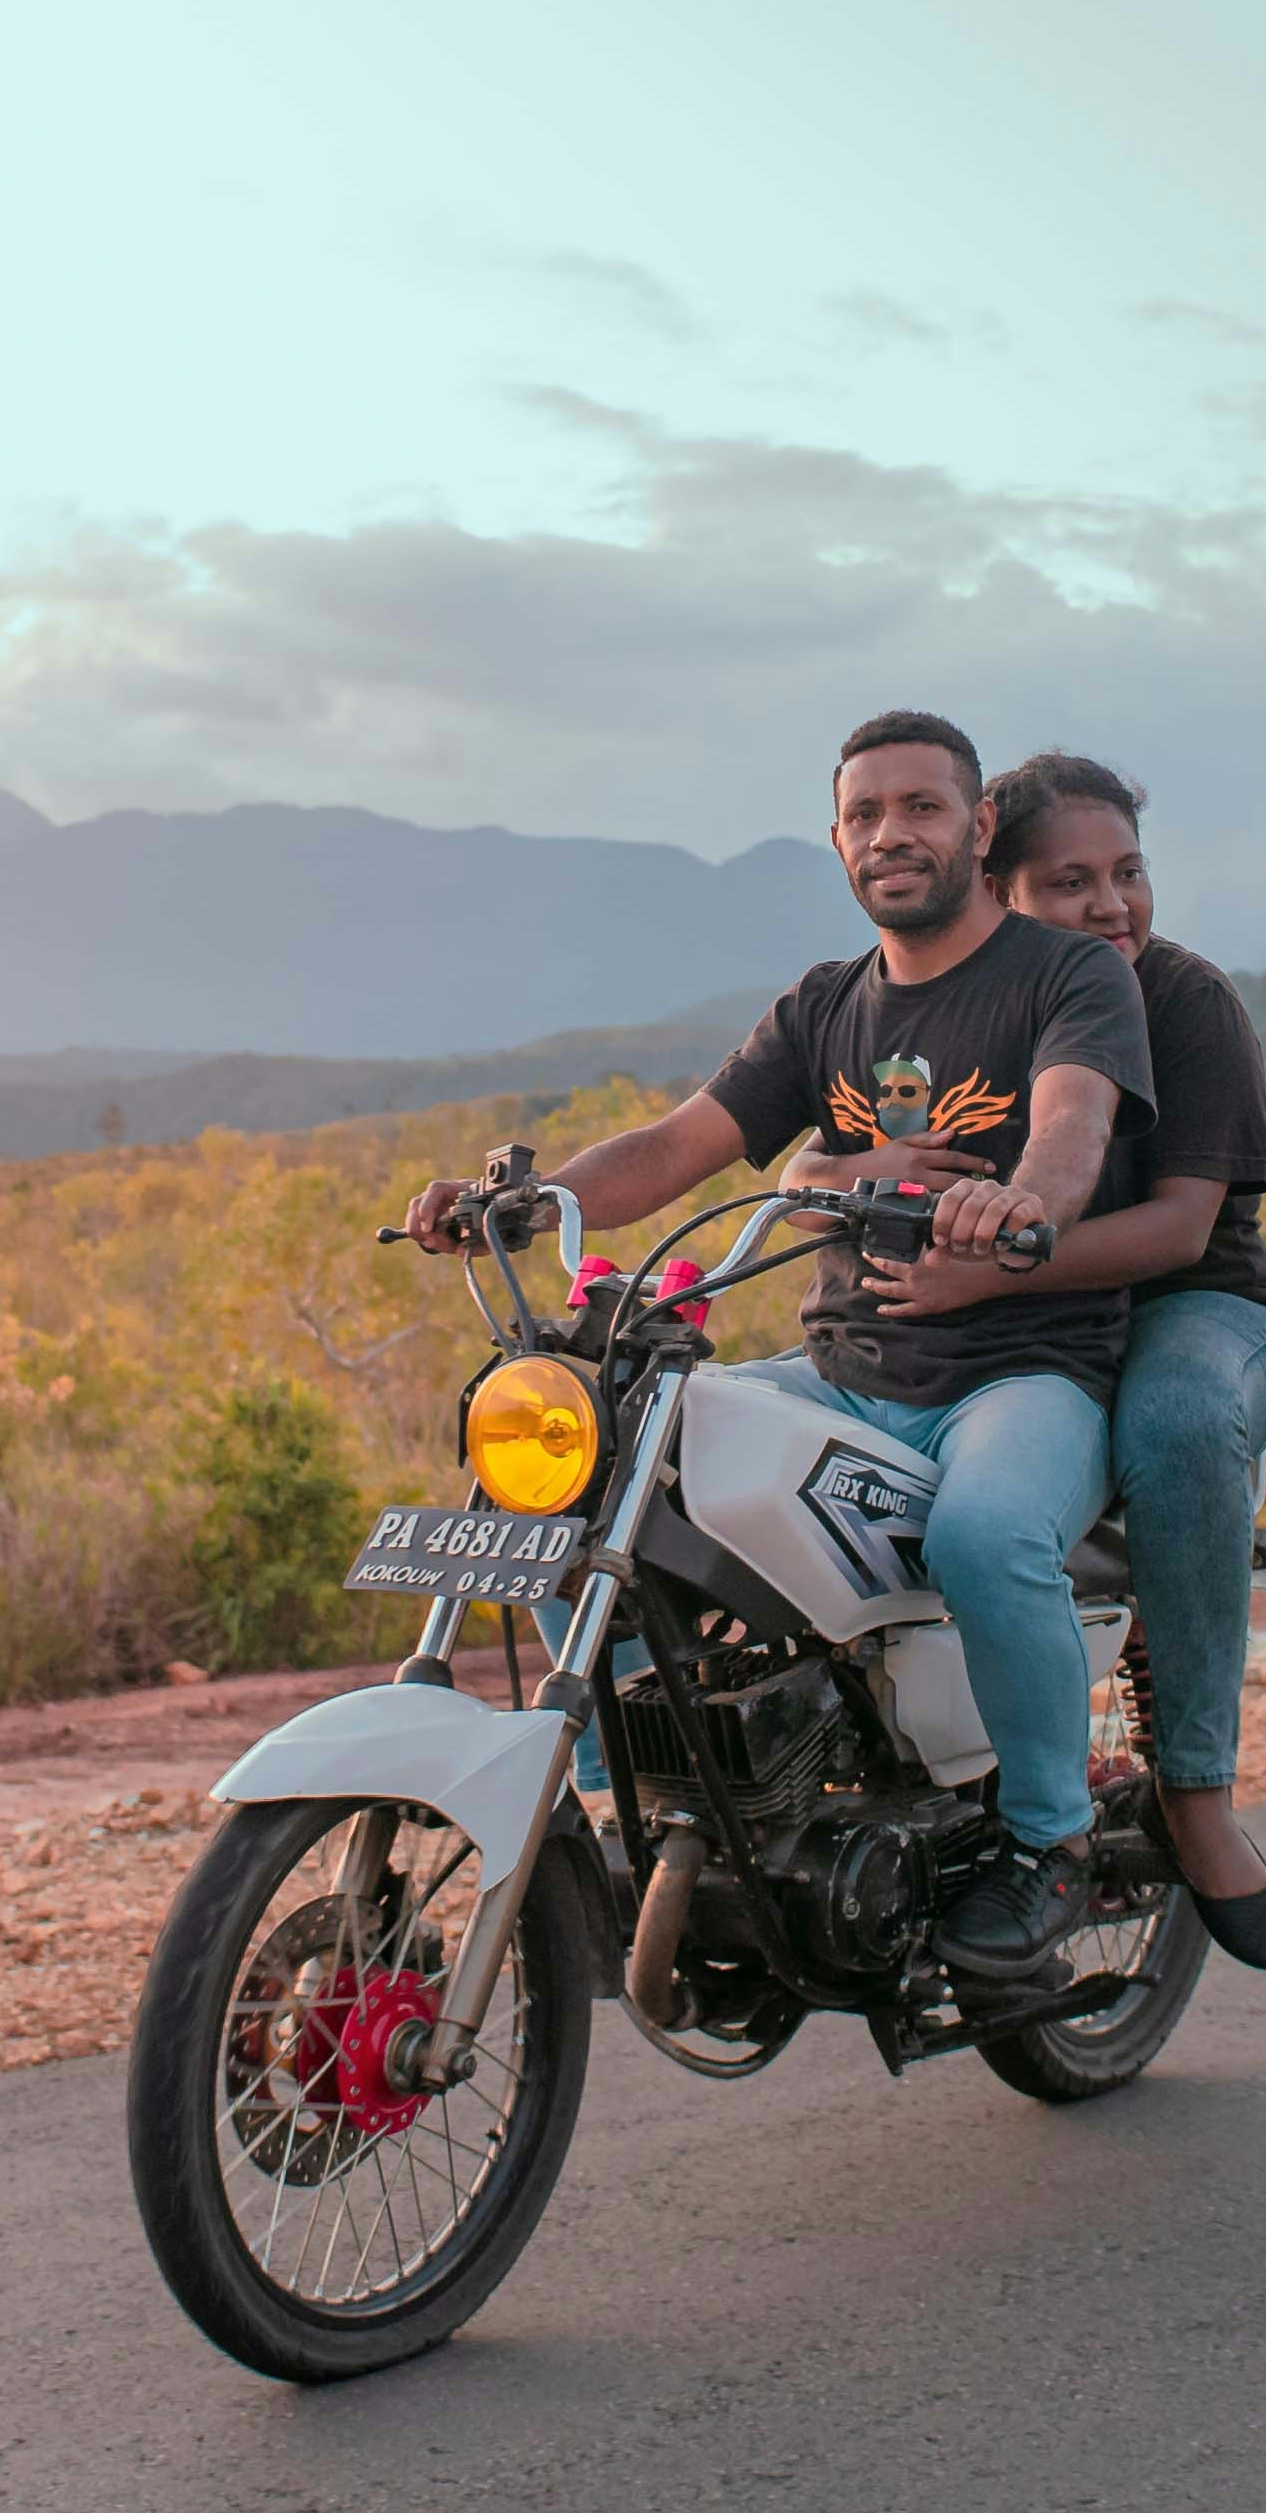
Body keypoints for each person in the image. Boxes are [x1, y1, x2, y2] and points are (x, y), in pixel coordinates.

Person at [398, 708, 1150, 1994]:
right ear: (838, 840)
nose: (891, 833)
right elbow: (675, 1146)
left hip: (1025, 1374)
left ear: (979, 827)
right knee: (587, 1469)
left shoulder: (1068, 977)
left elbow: (1072, 1129)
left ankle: (1050, 1843)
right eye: (865, 814)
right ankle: (644, 1800)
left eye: (921, 807)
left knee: (984, 1535)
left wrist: (1022, 1202)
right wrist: (525, 1200)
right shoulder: (825, 1005)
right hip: (845, 1372)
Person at [937, 748, 1266, 1970]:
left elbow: (1183, 1229)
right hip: (1033, 1325)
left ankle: (1197, 1797)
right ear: (997, 892)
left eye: (1128, 873)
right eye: (1072, 882)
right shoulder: (967, 1004)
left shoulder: (1185, 1000)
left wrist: (993, 1272)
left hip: (1197, 1309)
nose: (1113, 905)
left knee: (1175, 1422)